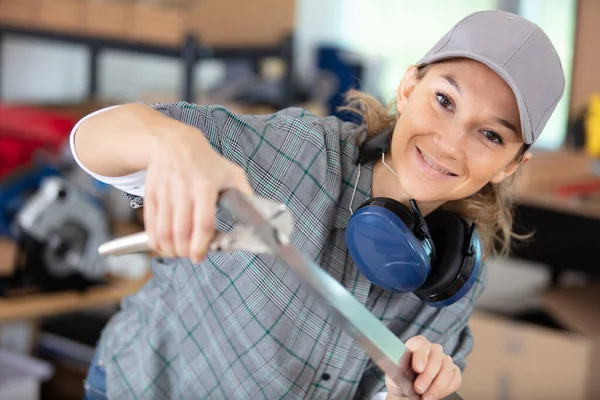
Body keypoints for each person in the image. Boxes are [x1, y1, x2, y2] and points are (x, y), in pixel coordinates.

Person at [71, 9, 564, 400]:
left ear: (509, 165)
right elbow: (94, 138)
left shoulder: (455, 273)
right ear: (410, 87)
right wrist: (173, 145)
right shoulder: (296, 151)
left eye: (491, 134)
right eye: (444, 100)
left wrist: (402, 393)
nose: (451, 143)